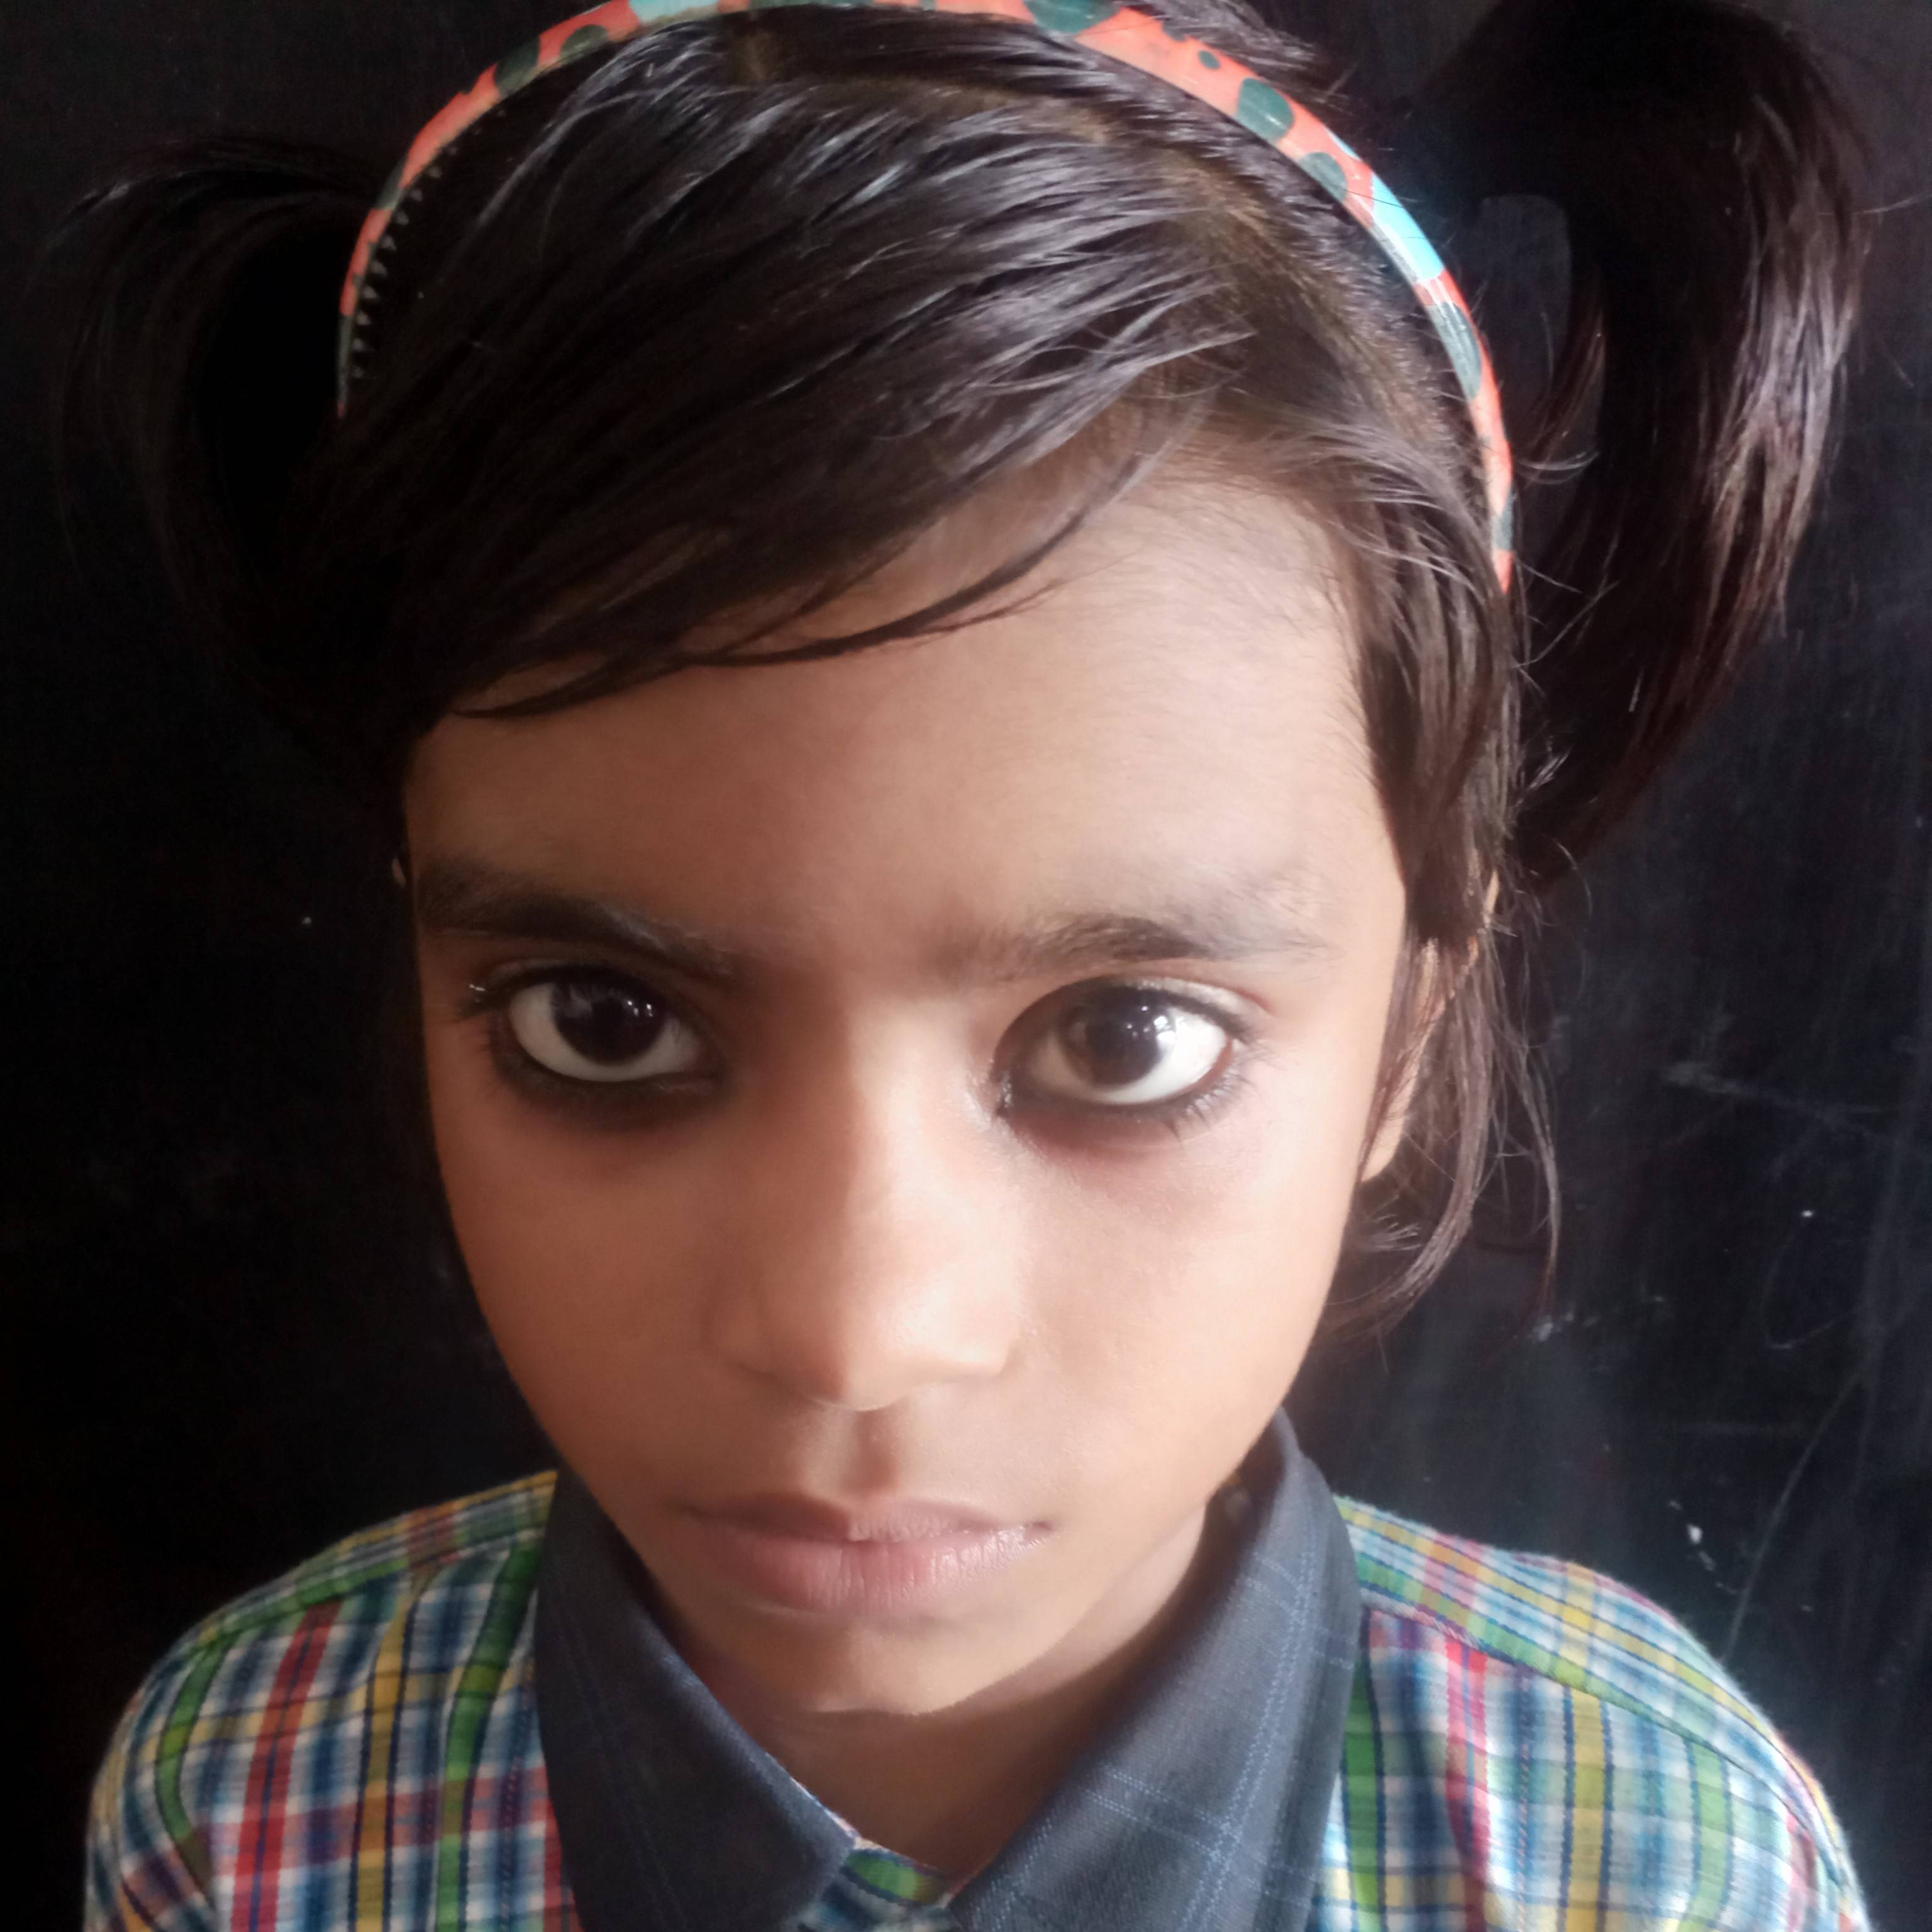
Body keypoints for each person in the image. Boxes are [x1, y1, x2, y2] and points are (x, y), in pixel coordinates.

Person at [62, 0, 1871, 1925]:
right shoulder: (249, 1814)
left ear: (1409, 1036)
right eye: (605, 1023)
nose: (854, 1333)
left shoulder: (1660, 1863)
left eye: (1127, 1037)